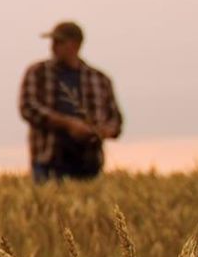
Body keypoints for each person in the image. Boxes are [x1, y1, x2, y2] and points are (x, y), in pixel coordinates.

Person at [19, 22, 123, 182]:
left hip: (89, 163)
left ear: (75, 45)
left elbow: (115, 120)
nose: (53, 47)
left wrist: (100, 131)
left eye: (59, 42)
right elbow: (28, 107)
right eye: (53, 42)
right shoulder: (38, 73)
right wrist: (69, 124)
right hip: (49, 159)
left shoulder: (100, 79)